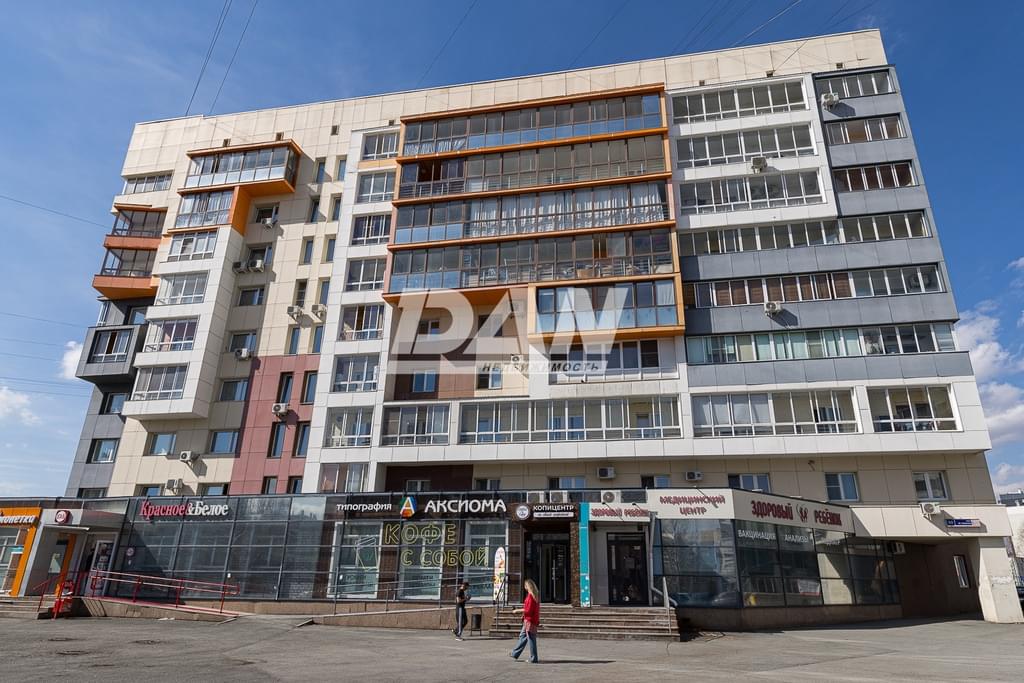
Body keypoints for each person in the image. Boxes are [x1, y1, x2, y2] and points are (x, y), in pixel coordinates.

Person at [509, 578, 540, 663]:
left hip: (529, 621)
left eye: (525, 585)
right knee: (523, 636)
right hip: (530, 620)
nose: (524, 587)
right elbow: (532, 610)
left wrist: (517, 610)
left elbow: (528, 610)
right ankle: (515, 653)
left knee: (531, 639)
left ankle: (534, 658)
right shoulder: (535, 596)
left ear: (528, 586)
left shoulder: (530, 596)